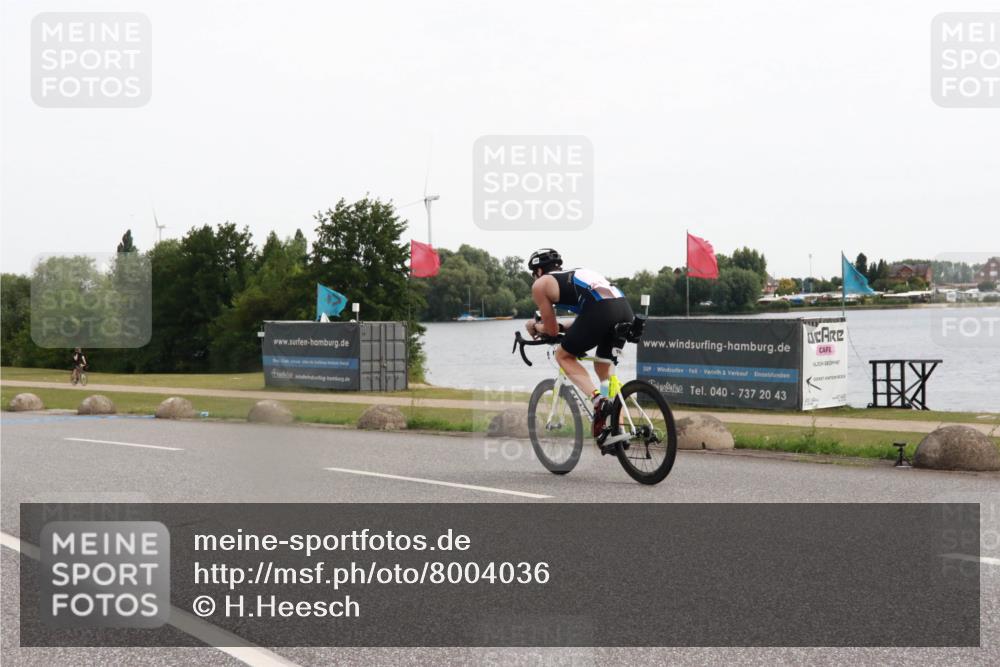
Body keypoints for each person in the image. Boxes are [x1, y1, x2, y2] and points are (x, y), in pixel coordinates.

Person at [524, 248, 634, 439]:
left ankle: (598, 399)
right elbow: (588, 319)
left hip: (600, 311)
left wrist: (534, 325)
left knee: (563, 355)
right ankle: (620, 429)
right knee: (603, 368)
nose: (536, 279)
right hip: (624, 310)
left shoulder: (540, 284)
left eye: (534, 275)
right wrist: (558, 326)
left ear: (539, 272)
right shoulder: (578, 274)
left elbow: (550, 331)